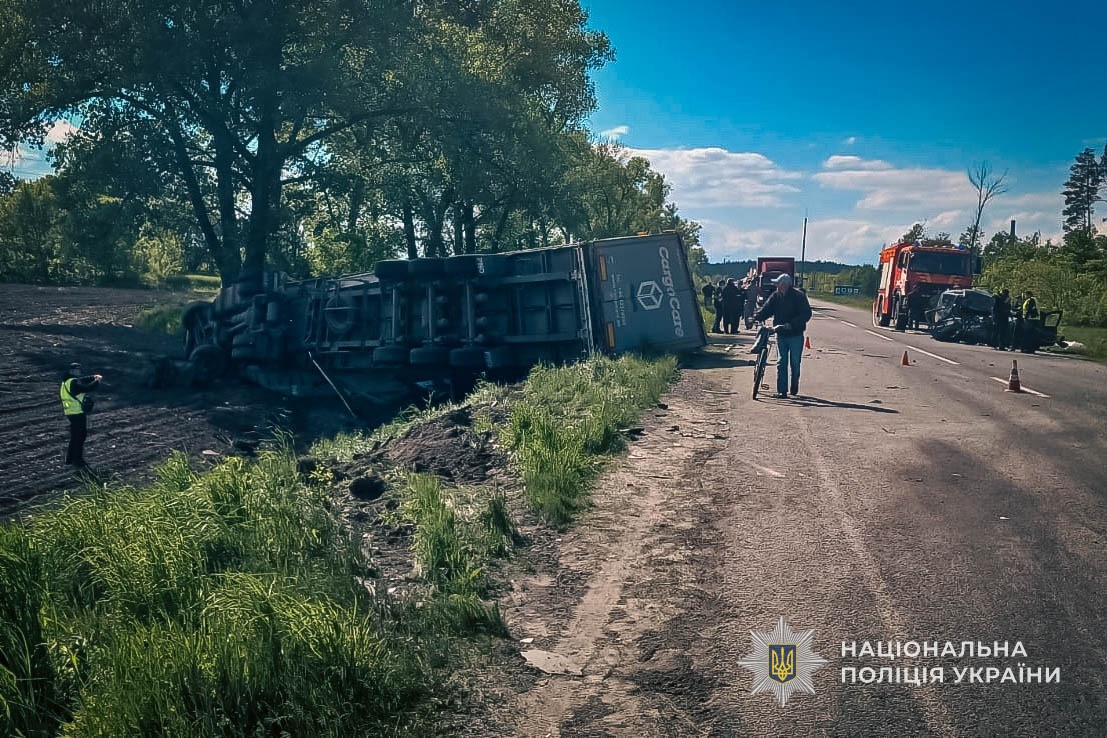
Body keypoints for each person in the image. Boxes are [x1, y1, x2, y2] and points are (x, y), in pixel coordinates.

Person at [753, 274, 812, 398]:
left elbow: (806, 314)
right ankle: (782, 391)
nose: (776, 286)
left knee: (795, 362)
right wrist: (755, 317)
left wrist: (792, 324)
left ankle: (794, 383)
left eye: (778, 283)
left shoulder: (799, 296)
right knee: (781, 362)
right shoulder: (776, 296)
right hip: (781, 334)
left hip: (795, 334)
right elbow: (767, 310)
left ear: (785, 285)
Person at [60, 362, 102, 468]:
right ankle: (78, 460)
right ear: (72, 371)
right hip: (77, 413)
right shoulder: (74, 382)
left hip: (70, 412)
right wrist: (97, 381)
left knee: (75, 436)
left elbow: (82, 380)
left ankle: (69, 458)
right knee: (80, 436)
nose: (78, 371)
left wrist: (93, 377)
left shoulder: (66, 382)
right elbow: (87, 388)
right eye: (76, 370)